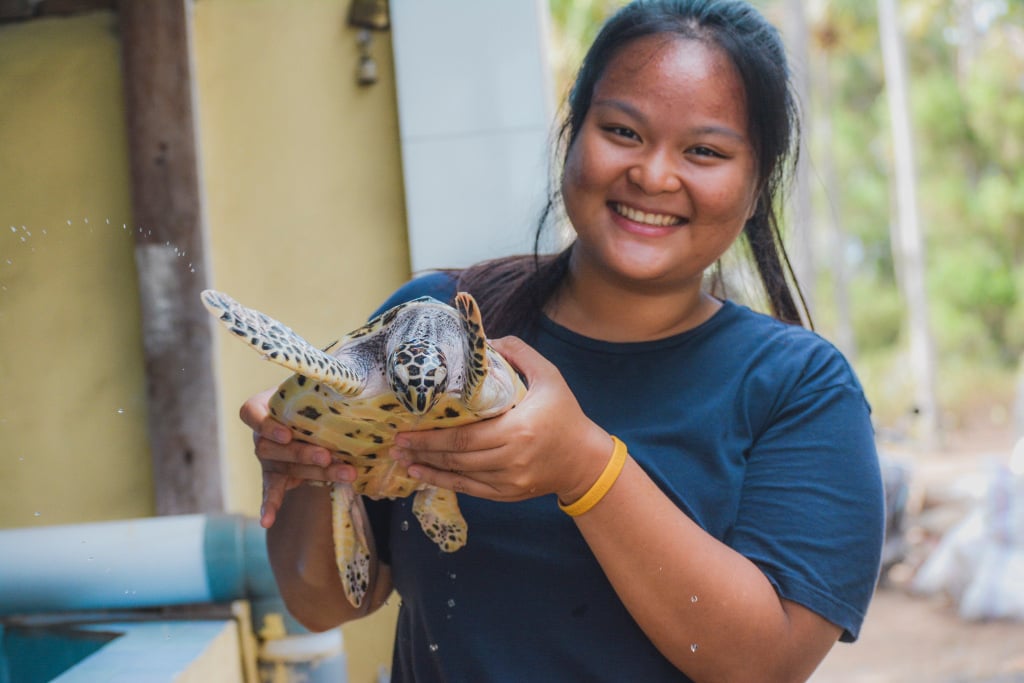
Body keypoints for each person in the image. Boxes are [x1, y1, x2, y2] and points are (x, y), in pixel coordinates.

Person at [241, 1, 885, 680]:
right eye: (623, 131)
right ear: (573, 134)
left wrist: (586, 468)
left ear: (756, 185)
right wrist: (310, 459)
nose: (654, 175)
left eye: (704, 150)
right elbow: (323, 600)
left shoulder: (801, 388)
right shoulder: (437, 320)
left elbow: (768, 662)